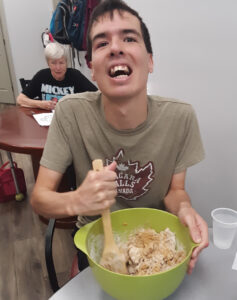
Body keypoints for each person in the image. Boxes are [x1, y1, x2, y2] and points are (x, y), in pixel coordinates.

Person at [31, 0, 209, 275]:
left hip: (156, 241)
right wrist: (77, 200)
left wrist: (184, 208)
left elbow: (175, 192)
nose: (116, 48)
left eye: (129, 38)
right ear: (91, 68)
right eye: (102, 44)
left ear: (150, 60)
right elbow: (40, 198)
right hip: (94, 240)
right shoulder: (70, 112)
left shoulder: (180, 117)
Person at [17, 42, 97, 110]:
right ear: (48, 63)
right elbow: (20, 100)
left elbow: (96, 96)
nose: (58, 68)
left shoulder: (75, 75)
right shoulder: (41, 76)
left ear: (66, 63)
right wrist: (40, 104)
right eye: (53, 63)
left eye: (61, 63)